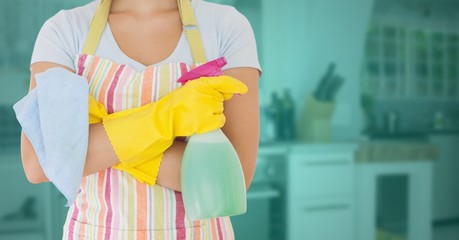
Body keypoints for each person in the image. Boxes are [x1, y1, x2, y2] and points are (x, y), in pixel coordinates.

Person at [20, 0, 260, 238]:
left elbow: (230, 180)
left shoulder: (226, 26)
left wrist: (94, 141)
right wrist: (165, 118)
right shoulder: (64, 30)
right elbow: (39, 164)